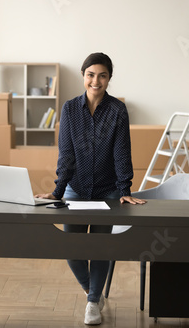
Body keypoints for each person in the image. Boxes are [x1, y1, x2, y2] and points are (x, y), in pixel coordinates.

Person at [35, 52, 146, 325]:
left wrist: (125, 189)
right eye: (91, 75)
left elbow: (122, 152)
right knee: (70, 245)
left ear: (109, 78)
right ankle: (91, 290)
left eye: (102, 75)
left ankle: (92, 302)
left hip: (108, 190)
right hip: (75, 188)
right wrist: (58, 190)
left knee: (100, 247)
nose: (96, 80)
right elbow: (67, 154)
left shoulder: (117, 110)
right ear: (84, 76)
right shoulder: (70, 109)